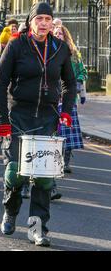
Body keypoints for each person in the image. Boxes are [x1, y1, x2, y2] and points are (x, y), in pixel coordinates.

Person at [0, 2, 76, 247]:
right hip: (18, 116)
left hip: (46, 119)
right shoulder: (17, 45)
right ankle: (10, 211)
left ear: (52, 23)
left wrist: (66, 112)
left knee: (43, 178)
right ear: (30, 22)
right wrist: (3, 120)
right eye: (38, 18)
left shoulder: (60, 48)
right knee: (15, 173)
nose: (43, 23)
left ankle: (37, 228)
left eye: (47, 19)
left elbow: (69, 84)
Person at [51, 24, 88, 199]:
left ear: (66, 36)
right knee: (55, 133)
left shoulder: (74, 54)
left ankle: (65, 161)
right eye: (56, 33)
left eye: (61, 33)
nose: (58, 35)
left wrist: (79, 86)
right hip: (52, 97)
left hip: (68, 98)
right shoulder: (49, 51)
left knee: (67, 131)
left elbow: (82, 72)